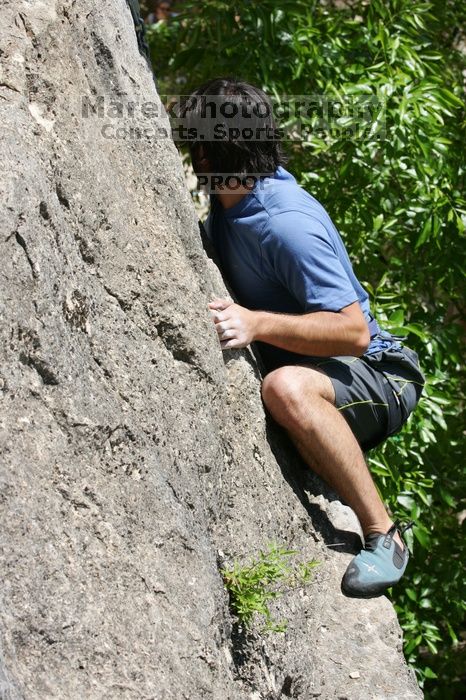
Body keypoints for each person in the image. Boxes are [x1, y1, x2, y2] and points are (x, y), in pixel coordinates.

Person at [181, 77, 425, 599]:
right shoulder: (230, 202)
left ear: (208, 150)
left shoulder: (285, 222)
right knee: (287, 384)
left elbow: (353, 331)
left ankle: (384, 534)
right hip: (332, 369)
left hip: (381, 375)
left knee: (285, 389)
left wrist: (257, 323)